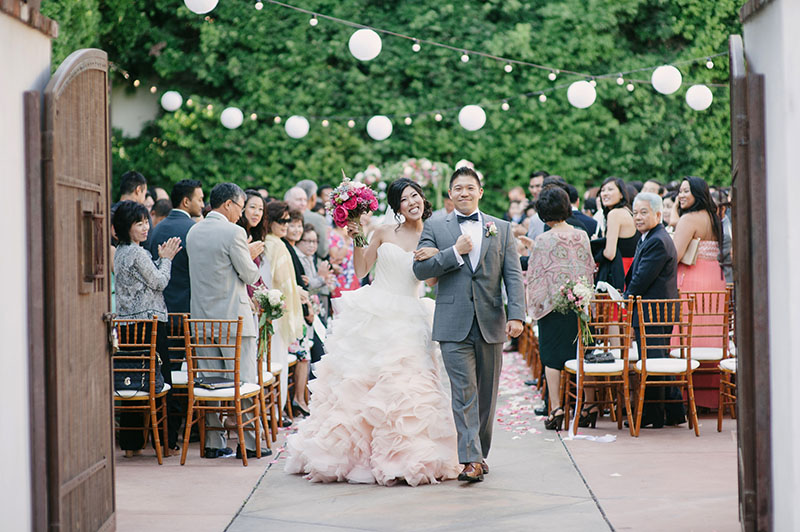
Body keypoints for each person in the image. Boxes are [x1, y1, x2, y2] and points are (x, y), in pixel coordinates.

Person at [285, 178, 462, 486]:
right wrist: (357, 237)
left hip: (410, 313)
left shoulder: (434, 235)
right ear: (396, 206)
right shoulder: (382, 231)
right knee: (361, 384)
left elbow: (432, 283)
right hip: (376, 312)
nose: (411, 202)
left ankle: (404, 454)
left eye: (415, 195)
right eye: (404, 199)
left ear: (423, 199)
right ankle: (356, 454)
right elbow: (363, 270)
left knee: (408, 386)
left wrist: (433, 260)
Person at [413, 167, 525, 482]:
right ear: (450, 194)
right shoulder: (435, 225)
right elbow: (420, 271)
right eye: (458, 188)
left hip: (491, 320)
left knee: (487, 393)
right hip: (453, 322)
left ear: (480, 192)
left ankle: (480, 453)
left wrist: (516, 314)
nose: (463, 193)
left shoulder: (500, 228)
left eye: (469, 187)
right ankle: (470, 459)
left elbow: (513, 275)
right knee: (464, 392)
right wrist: (453, 253)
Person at [185, 183, 269, 459]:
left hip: (202, 321)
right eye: (241, 207)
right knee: (244, 382)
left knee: (210, 382)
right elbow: (248, 274)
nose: (242, 213)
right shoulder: (234, 232)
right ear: (228, 204)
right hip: (234, 320)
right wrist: (251, 253)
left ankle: (212, 442)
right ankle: (252, 443)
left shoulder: (193, 231)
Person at [112, 200, 182, 456]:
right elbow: (159, 281)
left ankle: (131, 446)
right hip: (150, 326)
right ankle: (166, 444)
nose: (145, 227)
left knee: (132, 383)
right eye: (138, 223)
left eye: (145, 222)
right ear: (125, 226)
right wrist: (166, 259)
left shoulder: (120, 252)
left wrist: (158, 258)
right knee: (161, 382)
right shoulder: (138, 253)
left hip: (128, 326)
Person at [525, 187, 595, 430]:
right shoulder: (582, 235)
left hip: (553, 309)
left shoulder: (543, 240)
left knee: (552, 360)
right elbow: (588, 269)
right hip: (580, 306)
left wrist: (534, 306)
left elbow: (535, 276)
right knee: (583, 355)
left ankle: (556, 408)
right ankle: (589, 405)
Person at [147, 179, 204, 449]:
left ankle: (164, 432)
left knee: (164, 371)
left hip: (159, 312)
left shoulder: (155, 230)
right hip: (187, 312)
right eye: (199, 199)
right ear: (186, 201)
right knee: (188, 372)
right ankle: (188, 429)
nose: (202, 204)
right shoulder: (193, 230)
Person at [623, 192, 685, 428]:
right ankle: (674, 412)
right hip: (652, 310)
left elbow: (641, 279)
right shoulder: (649, 237)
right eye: (635, 212)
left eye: (643, 212)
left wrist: (626, 299)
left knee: (654, 362)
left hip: (654, 311)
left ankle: (653, 416)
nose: (638, 217)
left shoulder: (657, 240)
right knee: (658, 360)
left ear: (658, 214)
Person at [673, 177, 728, 409]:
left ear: (697, 193)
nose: (681, 195)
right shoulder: (714, 218)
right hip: (715, 278)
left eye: (686, 191)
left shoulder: (688, 219)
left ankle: (687, 397)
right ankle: (710, 398)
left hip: (691, 278)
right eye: (680, 191)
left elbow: (674, 255)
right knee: (711, 335)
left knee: (688, 334)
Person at [262, 201, 305, 414]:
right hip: (277, 310)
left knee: (276, 362)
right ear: (270, 221)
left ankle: (276, 412)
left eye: (288, 220)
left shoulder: (274, 242)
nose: (286, 225)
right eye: (282, 220)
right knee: (276, 362)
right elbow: (278, 280)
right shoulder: (274, 244)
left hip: (276, 306)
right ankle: (275, 413)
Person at [594, 177, 638, 290]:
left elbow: (610, 253)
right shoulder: (628, 211)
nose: (605, 193)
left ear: (621, 194)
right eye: (603, 190)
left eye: (610, 189)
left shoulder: (614, 214)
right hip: (631, 269)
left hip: (619, 271)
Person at [525, 170, 548, 241]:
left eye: (538, 186)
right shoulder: (528, 206)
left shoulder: (554, 206)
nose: (534, 190)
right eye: (531, 187)